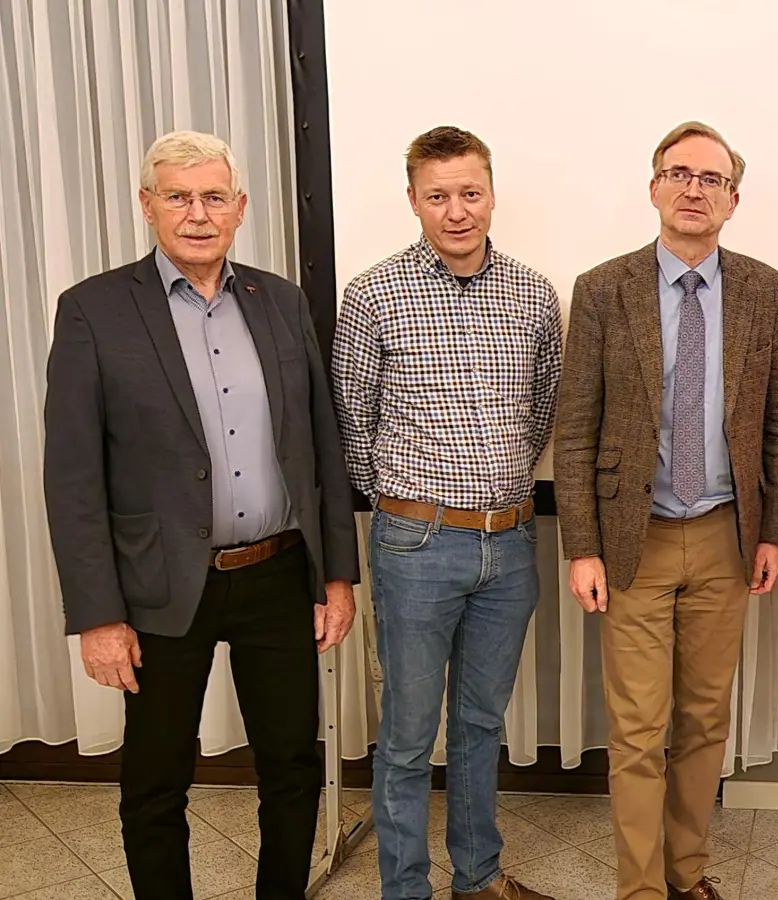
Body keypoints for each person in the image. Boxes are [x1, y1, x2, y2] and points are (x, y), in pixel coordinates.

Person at [42, 130, 359, 900]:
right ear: (147, 205)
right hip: (157, 587)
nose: (197, 213)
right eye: (178, 196)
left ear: (240, 208)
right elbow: (73, 476)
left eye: (213, 196)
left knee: (290, 768)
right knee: (156, 783)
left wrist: (339, 576)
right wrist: (97, 615)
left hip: (278, 575)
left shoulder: (279, 301)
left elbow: (323, 446)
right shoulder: (93, 310)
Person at [552, 121, 778, 900]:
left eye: (712, 179)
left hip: (728, 538)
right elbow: (576, 425)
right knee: (636, 731)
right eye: (679, 174)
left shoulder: (767, 290)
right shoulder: (603, 288)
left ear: (734, 199)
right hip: (637, 541)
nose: (695, 190)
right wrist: (581, 546)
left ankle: (688, 876)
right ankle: (640, 890)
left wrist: (775, 534)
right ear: (654, 186)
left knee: (702, 725)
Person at [331, 126, 564, 900]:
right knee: (404, 737)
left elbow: (542, 414)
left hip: (509, 544)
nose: (457, 211)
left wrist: (495, 494)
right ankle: (406, 889)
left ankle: (479, 878)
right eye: (439, 196)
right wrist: (412, 505)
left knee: (479, 727)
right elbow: (351, 426)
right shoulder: (372, 294)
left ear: (491, 193)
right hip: (415, 544)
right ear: (413, 202)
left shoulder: (533, 293)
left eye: (470, 193)